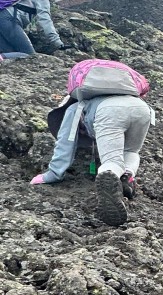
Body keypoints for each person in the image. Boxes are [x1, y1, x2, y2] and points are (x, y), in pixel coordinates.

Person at [31, 69, 154, 227]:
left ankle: (109, 175)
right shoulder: (114, 96)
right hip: (142, 109)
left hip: (109, 112)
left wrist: (52, 174)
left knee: (112, 161)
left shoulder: (73, 108)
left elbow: (65, 143)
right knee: (131, 151)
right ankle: (127, 177)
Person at [0, 0, 65, 61]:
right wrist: (57, 42)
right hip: (9, 20)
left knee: (12, 55)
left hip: (3, 17)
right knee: (30, 55)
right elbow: (45, 20)